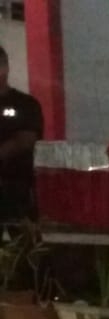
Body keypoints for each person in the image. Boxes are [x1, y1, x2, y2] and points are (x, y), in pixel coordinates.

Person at [0, 45, 43, 227]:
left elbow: (25, 140)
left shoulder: (25, 104)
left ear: (5, 67)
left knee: (23, 240)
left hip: (16, 188)